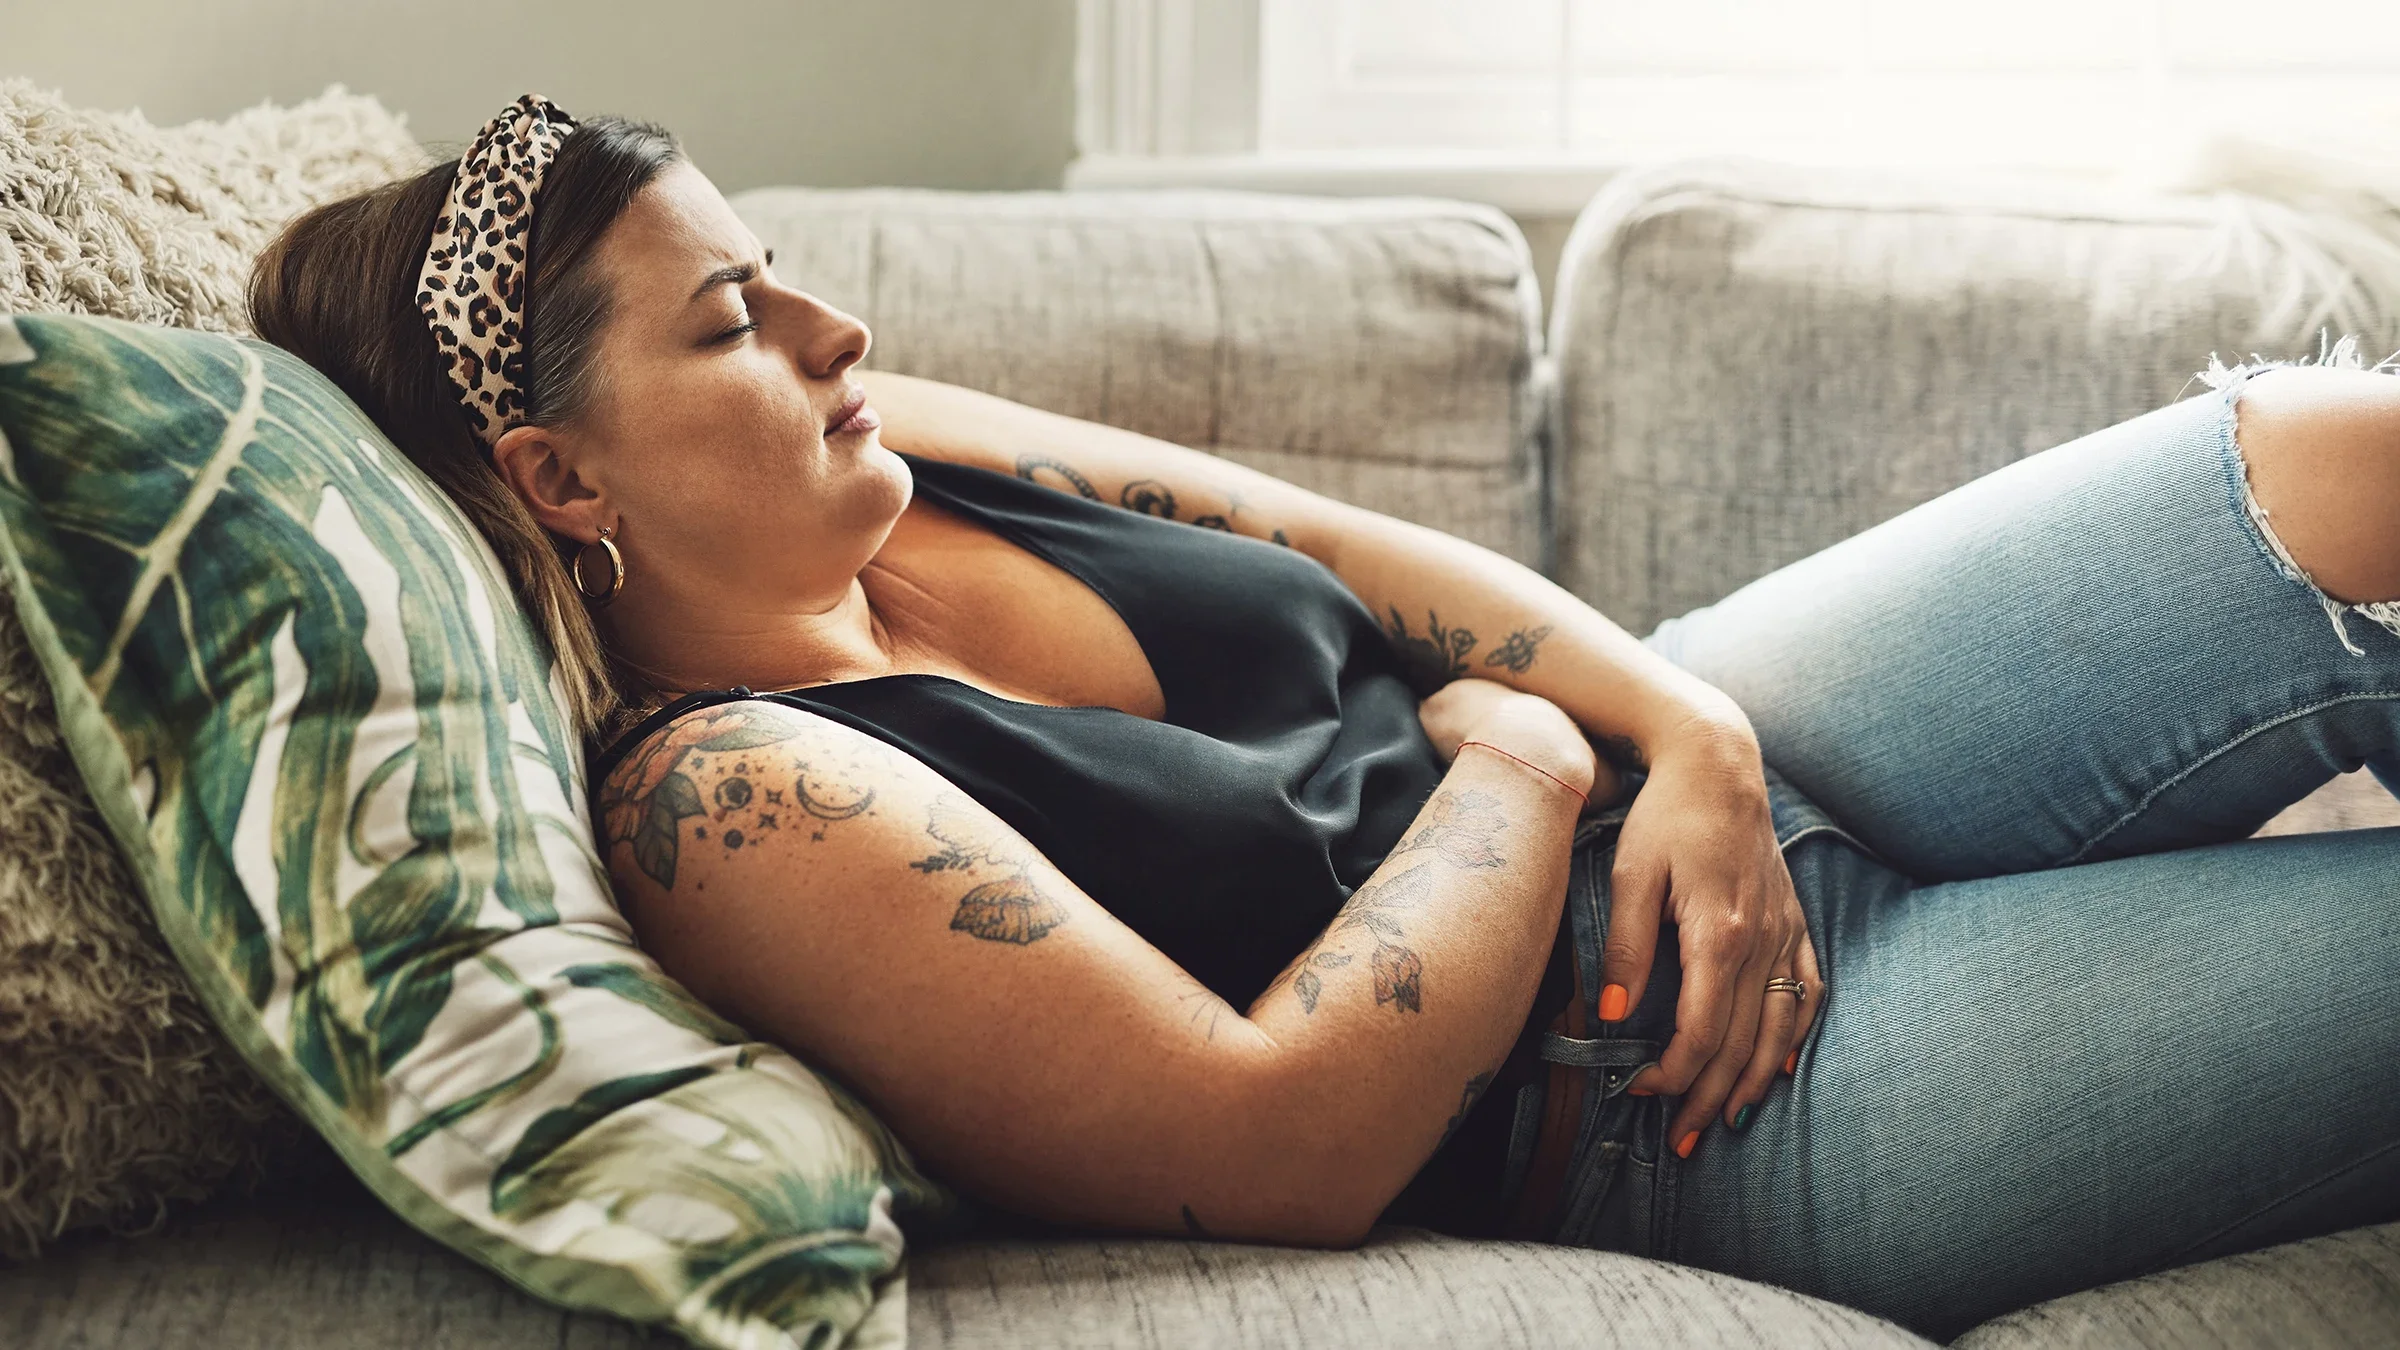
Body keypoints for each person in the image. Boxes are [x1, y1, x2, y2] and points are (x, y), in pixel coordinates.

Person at [248, 96, 2400, 1341]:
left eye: (784, 272)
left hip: (1726, 752)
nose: (833, 327)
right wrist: (1534, 761)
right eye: (734, 320)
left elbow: (1325, 536)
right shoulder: (732, 806)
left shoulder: (889, 457)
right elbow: (1272, 1139)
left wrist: (1684, 733)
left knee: (2342, 455)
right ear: (557, 477)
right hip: (1682, 1093)